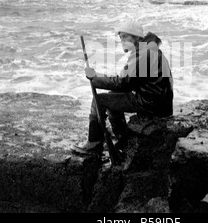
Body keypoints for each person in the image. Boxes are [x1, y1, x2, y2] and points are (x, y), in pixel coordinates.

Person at [71, 19, 173, 155]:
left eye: (125, 36)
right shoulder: (149, 49)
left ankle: (94, 144)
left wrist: (95, 77)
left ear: (136, 37)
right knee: (112, 95)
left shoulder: (142, 54)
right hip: (160, 102)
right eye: (120, 37)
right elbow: (127, 81)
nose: (122, 40)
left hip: (151, 104)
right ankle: (123, 138)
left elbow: (123, 83)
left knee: (99, 100)